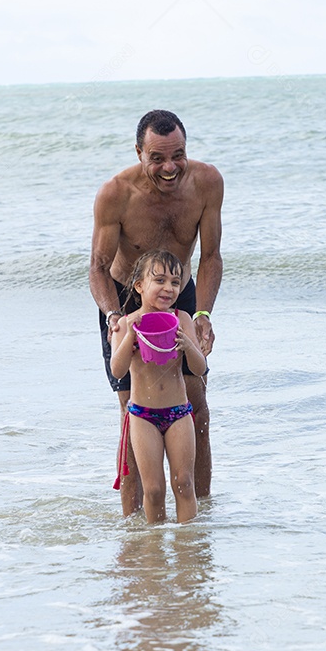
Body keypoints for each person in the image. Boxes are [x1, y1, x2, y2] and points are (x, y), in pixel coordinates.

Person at [90, 109, 224, 517]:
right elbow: (97, 267)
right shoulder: (116, 193)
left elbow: (211, 257)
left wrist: (202, 313)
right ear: (139, 152)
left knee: (195, 399)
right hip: (124, 299)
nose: (170, 168)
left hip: (179, 293)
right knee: (133, 408)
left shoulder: (207, 183)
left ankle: (198, 515)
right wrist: (114, 317)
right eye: (158, 158)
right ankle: (133, 524)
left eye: (178, 155)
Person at [109, 250, 207, 523]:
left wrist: (189, 346)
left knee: (184, 483)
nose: (169, 288)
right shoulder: (127, 324)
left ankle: (189, 545)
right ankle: (154, 553)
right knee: (153, 490)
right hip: (143, 416)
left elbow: (199, 370)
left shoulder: (182, 319)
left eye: (175, 282)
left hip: (178, 413)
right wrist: (129, 337)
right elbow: (117, 371)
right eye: (160, 280)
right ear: (139, 286)